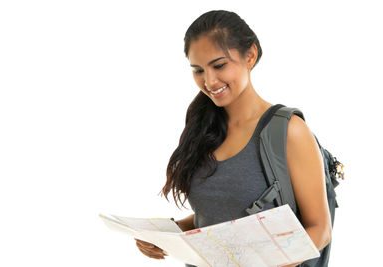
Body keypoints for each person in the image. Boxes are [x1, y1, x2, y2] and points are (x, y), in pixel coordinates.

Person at [134, 10, 332, 267]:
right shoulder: (202, 128)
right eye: (198, 70)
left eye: (219, 65)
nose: (209, 81)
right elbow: (217, 215)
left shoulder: (287, 131)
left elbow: (319, 229)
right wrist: (168, 233)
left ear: (250, 56)